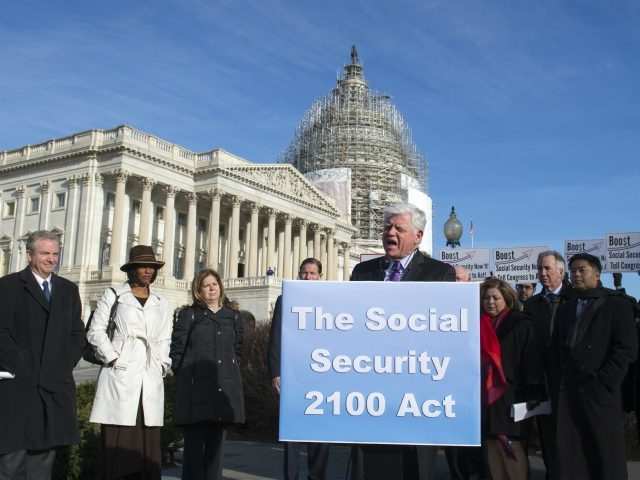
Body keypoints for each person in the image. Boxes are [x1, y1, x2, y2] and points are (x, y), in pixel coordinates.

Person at [349, 202, 455, 480]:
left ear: (418, 236)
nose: (390, 232)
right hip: (371, 389)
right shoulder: (362, 272)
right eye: (387, 227)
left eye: (399, 228)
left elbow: (443, 333)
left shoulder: (439, 273)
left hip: (417, 391)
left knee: (414, 468)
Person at [0, 230, 85, 479]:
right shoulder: (8, 286)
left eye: (55, 254)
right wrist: (21, 363)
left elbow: (77, 332)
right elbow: (1, 331)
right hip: (18, 385)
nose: (51, 259)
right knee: (11, 462)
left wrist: (63, 362)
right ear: (29, 255)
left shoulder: (68, 289)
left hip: (53, 386)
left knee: (43, 462)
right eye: (45, 253)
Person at [548, 253, 638, 479]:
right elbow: (557, 349)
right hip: (569, 392)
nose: (576, 275)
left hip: (600, 392)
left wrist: (605, 381)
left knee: (604, 453)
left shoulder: (617, 305)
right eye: (573, 271)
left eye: (582, 270)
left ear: (597, 274)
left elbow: (626, 349)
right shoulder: (566, 308)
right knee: (572, 453)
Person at [87, 245, 172, 480]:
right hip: (121, 371)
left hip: (150, 372)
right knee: (119, 436)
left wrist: (162, 363)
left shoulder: (161, 301)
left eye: (152, 267)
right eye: (142, 266)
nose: (147, 271)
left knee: (148, 440)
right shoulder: (114, 294)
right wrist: (113, 357)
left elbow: (165, 336)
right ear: (131, 269)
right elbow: (95, 331)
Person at [170, 269, 245, 480]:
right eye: (206, 285)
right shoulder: (189, 315)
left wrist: (228, 372)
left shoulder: (233, 317)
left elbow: (237, 350)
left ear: (221, 287)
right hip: (195, 389)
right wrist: (187, 376)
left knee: (215, 452)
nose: (212, 288)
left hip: (222, 387)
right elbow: (177, 351)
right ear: (198, 290)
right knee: (193, 452)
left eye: (215, 284)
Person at [268, 258, 330, 480]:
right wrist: (275, 372)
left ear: (320, 277)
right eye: (304, 273)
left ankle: (317, 476)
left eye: (312, 273)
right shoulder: (284, 300)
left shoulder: (330, 302)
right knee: (291, 433)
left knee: (320, 433)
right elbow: (275, 338)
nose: (308, 277)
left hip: (322, 374)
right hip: (293, 374)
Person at [522, 250, 575, 478]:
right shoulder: (533, 304)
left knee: (570, 434)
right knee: (547, 433)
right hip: (541, 381)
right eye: (540, 268)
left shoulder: (575, 298)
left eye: (547, 268)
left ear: (561, 272)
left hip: (570, 380)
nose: (542, 273)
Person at [480, 278, 533, 480]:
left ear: (507, 298)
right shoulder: (476, 324)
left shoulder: (520, 324)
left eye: (496, 297)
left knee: (512, 446)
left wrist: (531, 393)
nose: (490, 302)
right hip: (485, 397)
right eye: (486, 298)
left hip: (512, 395)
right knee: (492, 446)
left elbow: (530, 360)